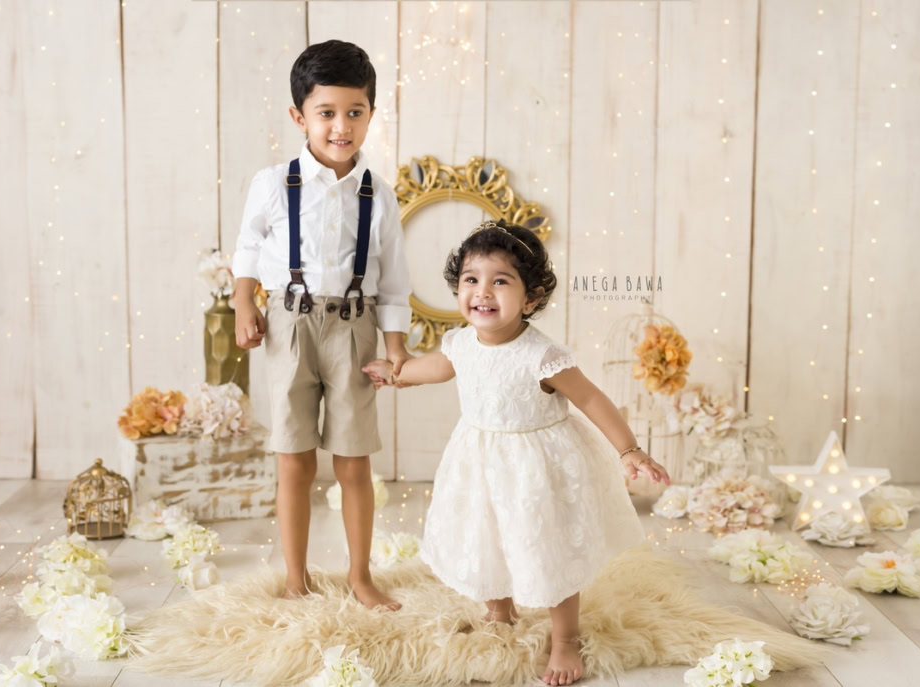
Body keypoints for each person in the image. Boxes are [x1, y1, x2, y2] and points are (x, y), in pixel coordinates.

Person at [363, 220, 670, 685]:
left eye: (500, 281)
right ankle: (499, 610)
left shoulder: (540, 356)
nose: (482, 292)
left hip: (536, 469)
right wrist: (395, 373)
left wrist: (629, 450)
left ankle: (565, 639)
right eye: (471, 279)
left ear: (530, 298)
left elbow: (590, 399)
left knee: (549, 548)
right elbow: (435, 368)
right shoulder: (461, 343)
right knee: (487, 535)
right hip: (480, 464)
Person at [232, 39, 412, 611]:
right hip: (289, 325)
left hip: (355, 329)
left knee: (354, 460)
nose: (341, 126)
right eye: (326, 112)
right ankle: (295, 577)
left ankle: (360, 576)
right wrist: (243, 302)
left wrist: (396, 347)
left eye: (354, 112)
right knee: (294, 457)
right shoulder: (273, 183)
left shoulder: (378, 195)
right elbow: (248, 246)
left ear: (371, 114)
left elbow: (394, 280)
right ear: (299, 116)